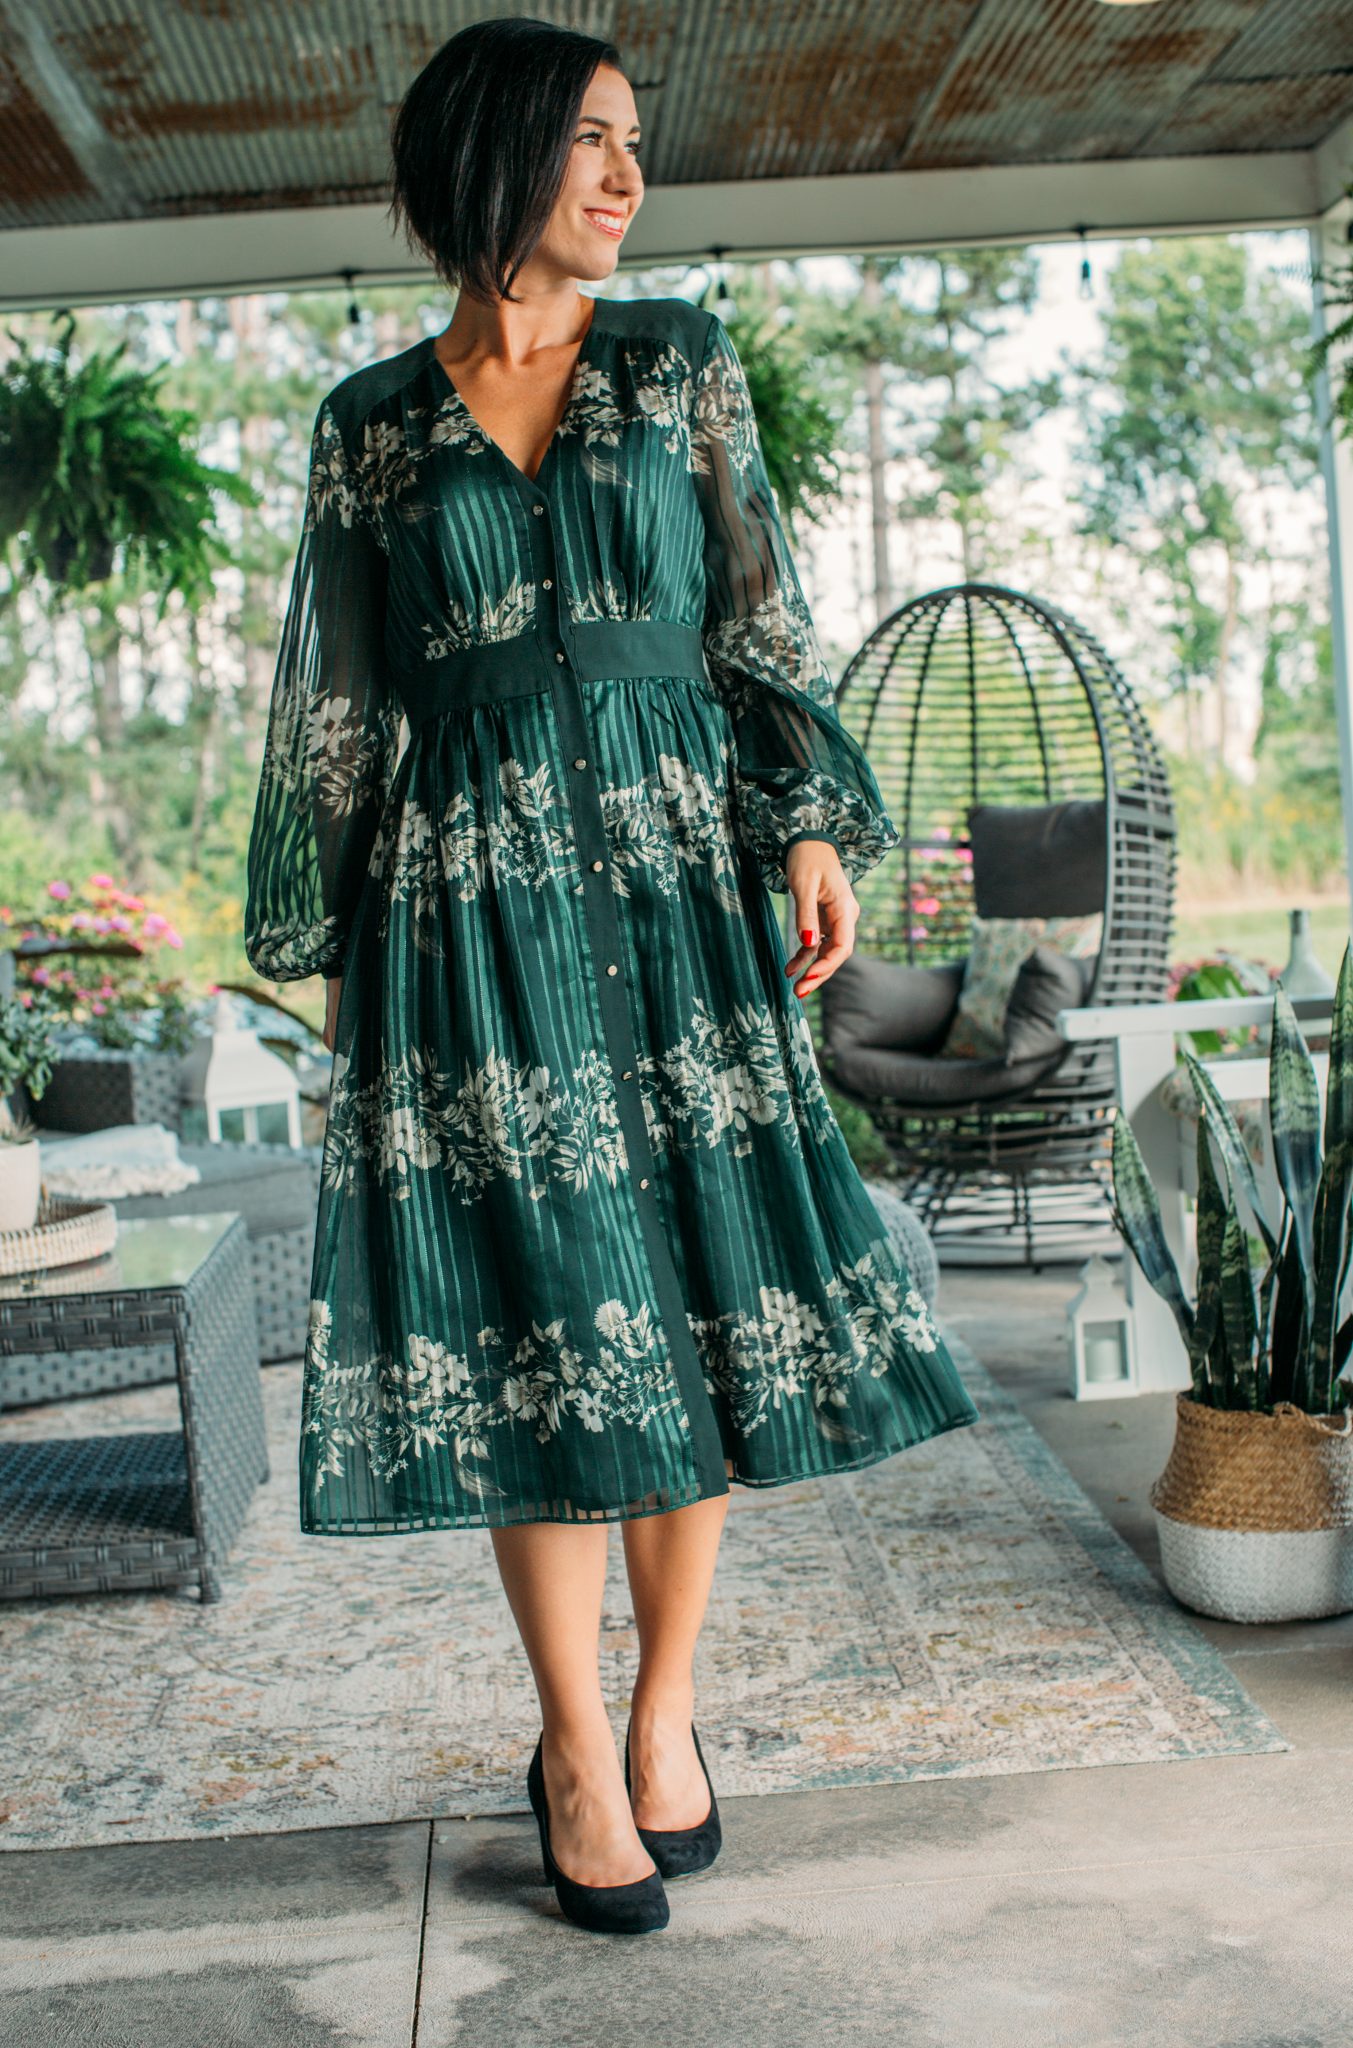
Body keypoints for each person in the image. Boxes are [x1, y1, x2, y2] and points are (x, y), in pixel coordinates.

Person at [243, 14, 980, 1936]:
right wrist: (341, 969)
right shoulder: (370, 426)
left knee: (693, 1284)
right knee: (543, 1307)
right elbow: (337, 716)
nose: (628, 174)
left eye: (633, 140)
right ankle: (570, 1740)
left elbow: (754, 614)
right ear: (492, 161)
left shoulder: (678, 367)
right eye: (589, 139)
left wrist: (805, 820)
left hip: (673, 885)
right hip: (463, 914)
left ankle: (668, 1713)